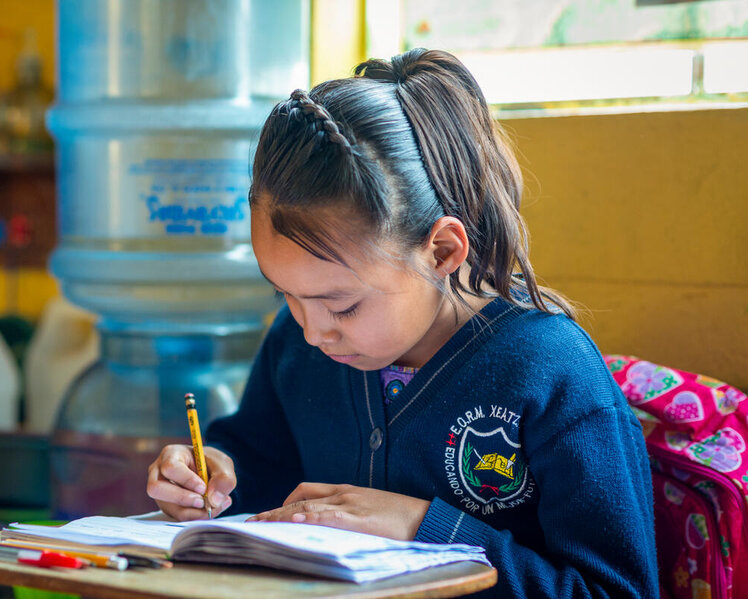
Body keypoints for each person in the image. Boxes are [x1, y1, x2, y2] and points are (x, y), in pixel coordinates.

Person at [146, 48, 659, 598]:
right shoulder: (295, 343)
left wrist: (425, 529)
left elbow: (616, 590)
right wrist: (212, 477)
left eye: (342, 306)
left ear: (441, 250)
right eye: (286, 294)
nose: (313, 331)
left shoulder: (550, 374)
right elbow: (261, 463)